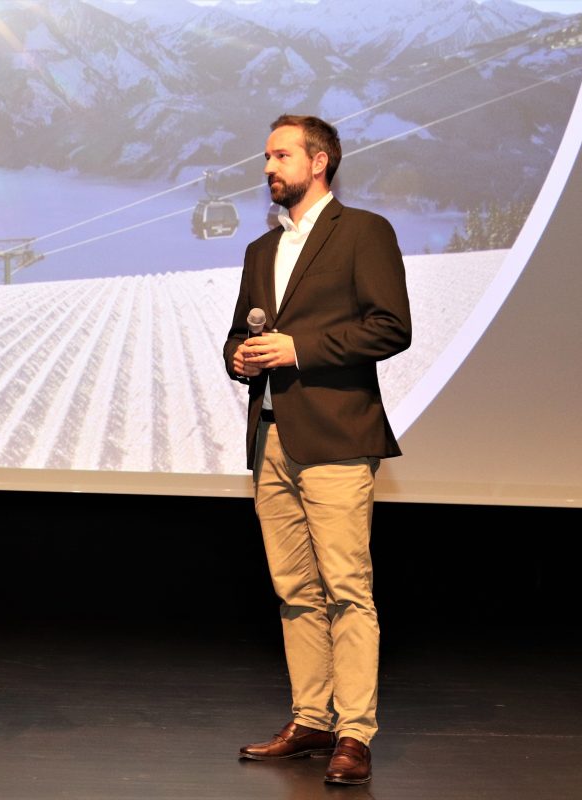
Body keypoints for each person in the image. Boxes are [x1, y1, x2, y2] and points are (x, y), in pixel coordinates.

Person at [223, 114, 411, 785]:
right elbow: (236, 337)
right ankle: (311, 718)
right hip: (272, 437)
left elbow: (391, 327)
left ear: (320, 161)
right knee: (295, 590)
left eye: (280, 155)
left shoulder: (363, 232)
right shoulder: (260, 250)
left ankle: (354, 732)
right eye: (266, 155)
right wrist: (241, 358)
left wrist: (298, 349)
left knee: (347, 590)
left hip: (335, 438)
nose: (269, 166)